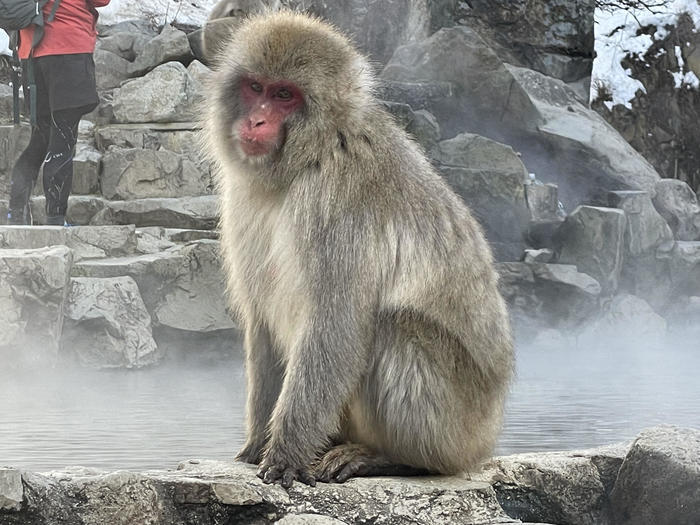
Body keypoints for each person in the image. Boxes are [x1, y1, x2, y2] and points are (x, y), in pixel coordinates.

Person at [6, 0, 110, 226]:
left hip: (31, 53)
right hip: (67, 49)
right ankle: (55, 220)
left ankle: (16, 213)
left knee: (41, 136)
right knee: (63, 136)